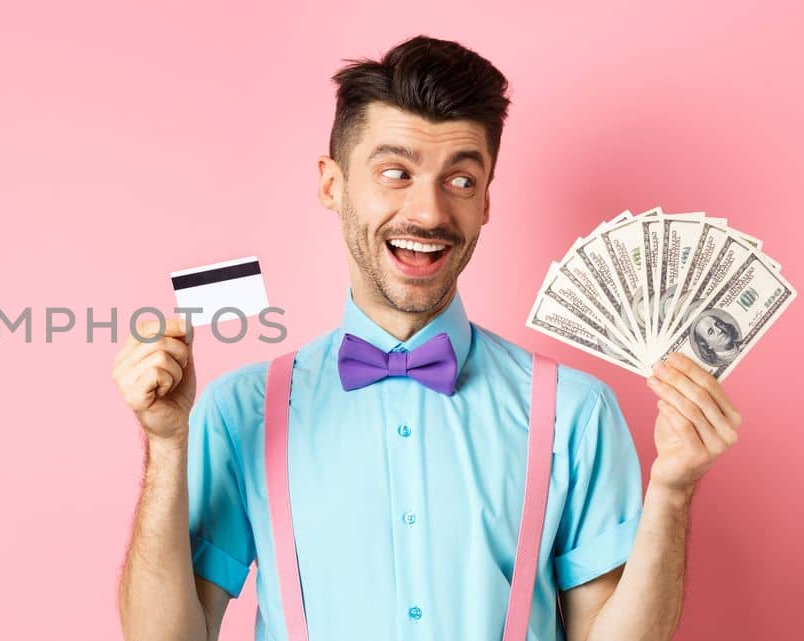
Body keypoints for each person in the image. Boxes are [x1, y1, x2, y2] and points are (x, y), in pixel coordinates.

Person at [112, 35, 743, 641]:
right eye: (395, 172)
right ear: (332, 184)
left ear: (488, 200)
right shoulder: (240, 410)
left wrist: (673, 491)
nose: (431, 213)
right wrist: (166, 447)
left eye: (461, 181)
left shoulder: (577, 410)